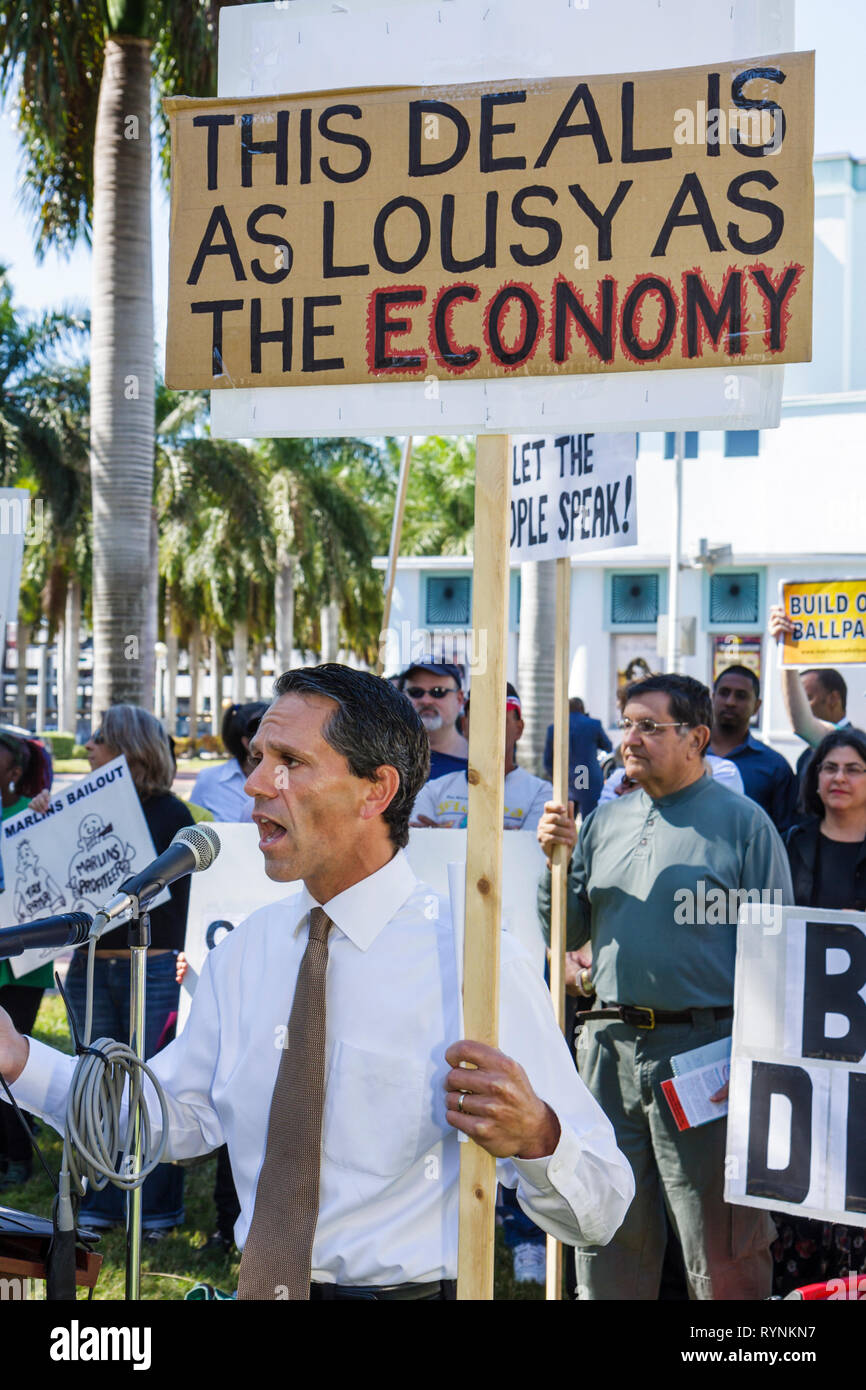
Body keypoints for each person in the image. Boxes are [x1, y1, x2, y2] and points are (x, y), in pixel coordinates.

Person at [2, 665, 634, 1299]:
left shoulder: (473, 965)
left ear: (376, 790)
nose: (254, 784)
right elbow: (170, 1117)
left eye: (290, 762)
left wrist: (539, 1137)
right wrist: (20, 1060)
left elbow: (602, 1206)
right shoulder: (248, 950)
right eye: (257, 758)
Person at [537, 672, 793, 1300]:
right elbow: (566, 930)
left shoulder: (744, 826)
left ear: (697, 737)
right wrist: (554, 866)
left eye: (650, 726)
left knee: (721, 1238)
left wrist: (756, 1061)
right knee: (607, 1223)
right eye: (627, 723)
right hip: (609, 1049)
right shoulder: (604, 820)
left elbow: (778, 950)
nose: (631, 738)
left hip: (708, 1054)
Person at [62, 705, 195, 1236]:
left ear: (127, 749)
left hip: (154, 966)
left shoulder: (172, 815)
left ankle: (157, 1210)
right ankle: (100, 1199)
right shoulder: (81, 810)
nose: (88, 747)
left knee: (154, 1086)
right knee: (94, 1082)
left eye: (99, 738)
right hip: (90, 965)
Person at [771, 728, 866, 1295]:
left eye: (853, 768)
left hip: (862, 1037)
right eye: (829, 767)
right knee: (804, 1156)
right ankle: (801, 1295)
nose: (839, 778)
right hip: (799, 1031)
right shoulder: (793, 841)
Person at [0, 730, 53, 1189]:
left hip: (21, 964)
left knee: (9, 1059)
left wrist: (48, 812)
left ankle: (18, 1157)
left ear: (15, 773)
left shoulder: (32, 815)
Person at [411, 684, 551, 832]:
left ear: (519, 729)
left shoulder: (541, 794)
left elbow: (531, 851)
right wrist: (508, 835)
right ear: (464, 726)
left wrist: (444, 834)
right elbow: (420, 848)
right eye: (479, 718)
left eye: (499, 719)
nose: (489, 728)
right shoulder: (432, 791)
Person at [768, 604, 853, 786]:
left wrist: (787, 654)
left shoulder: (853, 743)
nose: (801, 706)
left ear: (833, 698)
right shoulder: (806, 755)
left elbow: (802, 726)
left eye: (807, 698)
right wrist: (786, 649)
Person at [709, 664, 799, 832]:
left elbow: (783, 832)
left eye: (741, 696)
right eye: (724, 693)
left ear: (757, 706)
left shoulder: (775, 767)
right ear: (713, 698)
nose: (730, 702)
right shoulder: (688, 753)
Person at [190, 701, 268, 821]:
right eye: (267, 732)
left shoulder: (285, 778)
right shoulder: (209, 779)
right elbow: (191, 829)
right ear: (247, 743)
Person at [396, 662, 468, 780]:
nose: (426, 700)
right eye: (416, 692)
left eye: (438, 691)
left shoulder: (480, 762)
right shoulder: (386, 758)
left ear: (459, 698)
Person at [543, 697, 612, 820]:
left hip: (566, 781)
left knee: (564, 824)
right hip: (588, 779)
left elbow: (548, 761)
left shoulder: (554, 727)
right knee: (590, 824)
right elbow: (608, 746)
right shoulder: (593, 724)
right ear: (582, 709)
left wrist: (556, 778)